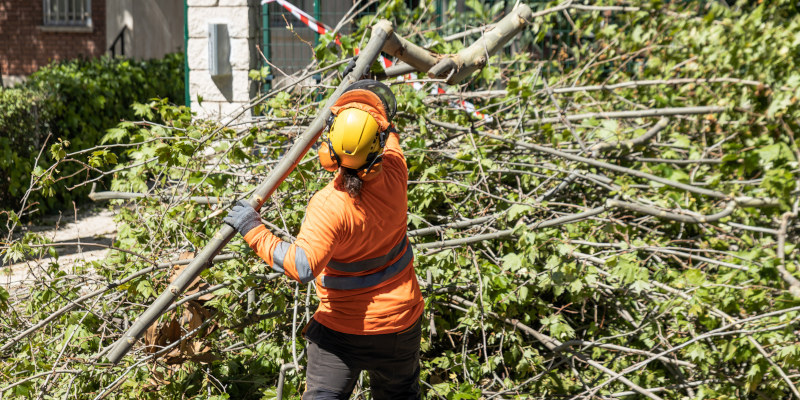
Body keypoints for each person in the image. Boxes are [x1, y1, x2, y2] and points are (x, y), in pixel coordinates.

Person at [224, 79, 423, 399]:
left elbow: (301, 265)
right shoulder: (396, 171)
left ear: (328, 148)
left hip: (342, 334)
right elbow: (388, 129)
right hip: (400, 326)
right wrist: (366, 90)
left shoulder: (330, 205)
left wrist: (253, 230)